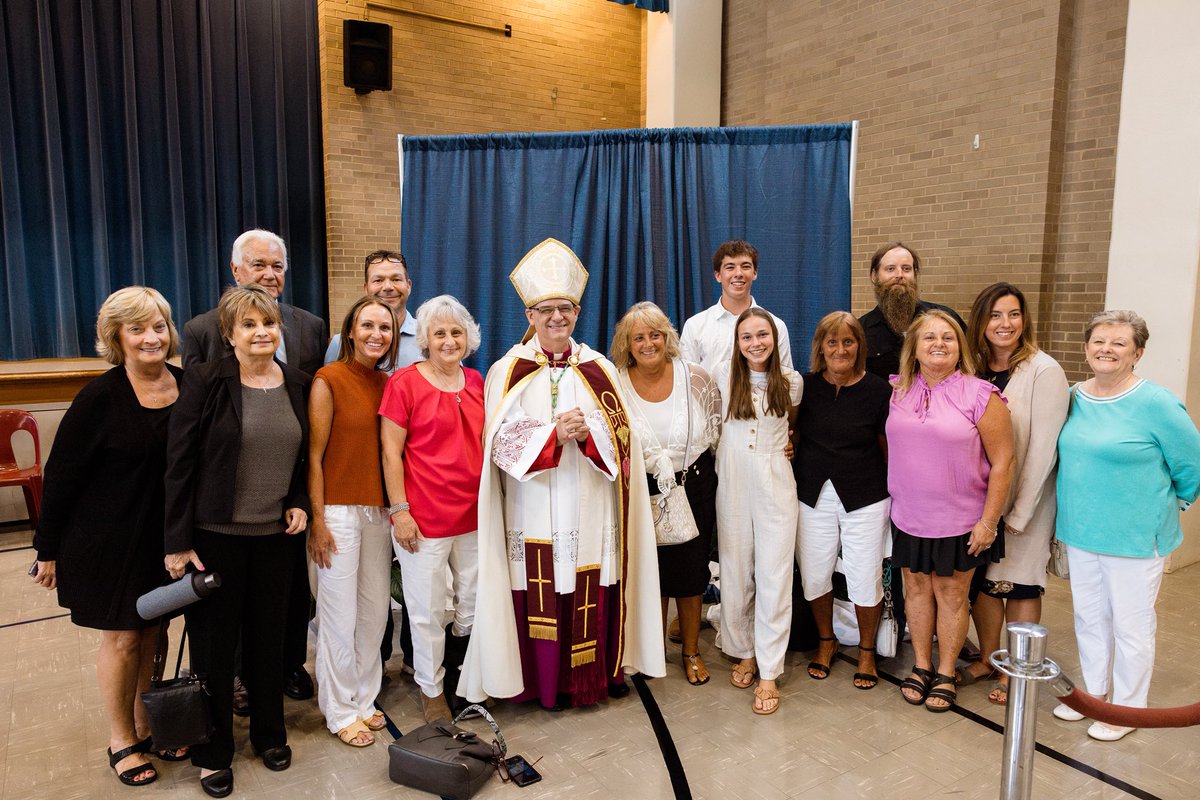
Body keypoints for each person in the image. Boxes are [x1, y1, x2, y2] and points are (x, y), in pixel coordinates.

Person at [459, 238, 664, 710]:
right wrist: (551, 434)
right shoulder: (506, 370)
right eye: (546, 309)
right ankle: (537, 684)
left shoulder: (600, 368)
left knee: (589, 583)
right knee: (538, 588)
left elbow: (624, 441)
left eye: (566, 309)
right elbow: (497, 446)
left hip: (589, 503)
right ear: (529, 314)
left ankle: (590, 681)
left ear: (576, 313)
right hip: (531, 507)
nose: (557, 317)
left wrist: (588, 433)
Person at [31, 287, 185, 787]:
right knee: (121, 638)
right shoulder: (98, 397)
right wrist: (47, 549)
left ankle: (147, 721)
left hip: (163, 541)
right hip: (106, 540)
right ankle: (122, 738)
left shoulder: (188, 386)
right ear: (116, 337)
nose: (150, 337)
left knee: (155, 631)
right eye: (136, 328)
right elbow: (62, 476)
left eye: (158, 326)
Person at [164, 284, 311, 798]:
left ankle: (270, 733)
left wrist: (299, 500)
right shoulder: (205, 380)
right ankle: (213, 751)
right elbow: (179, 463)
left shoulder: (297, 382)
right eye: (247, 325)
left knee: (269, 642)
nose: (260, 333)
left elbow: (300, 455)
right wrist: (177, 541)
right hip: (214, 537)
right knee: (214, 648)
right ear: (228, 334)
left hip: (275, 537)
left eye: (267, 323)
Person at [180, 228, 327, 702]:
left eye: (277, 266)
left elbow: (309, 421)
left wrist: (301, 495)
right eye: (258, 265)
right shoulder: (204, 329)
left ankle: (285, 665)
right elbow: (194, 433)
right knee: (230, 606)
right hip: (225, 504)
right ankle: (239, 677)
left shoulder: (309, 325)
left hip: (286, 495)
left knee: (284, 598)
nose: (269, 274)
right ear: (235, 271)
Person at [1054, 310, 1200, 742]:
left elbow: (1190, 464)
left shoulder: (1156, 402)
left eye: (1119, 343)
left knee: (1131, 626)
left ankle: (1127, 709)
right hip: (1081, 532)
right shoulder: (1073, 396)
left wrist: (1171, 503)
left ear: (1137, 352)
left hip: (1137, 538)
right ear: (1086, 348)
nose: (1107, 349)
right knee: (1088, 617)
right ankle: (1093, 697)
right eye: (1099, 340)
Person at [888, 310, 1013, 713]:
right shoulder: (899, 390)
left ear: (960, 347)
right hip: (909, 515)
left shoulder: (981, 395)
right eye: (929, 338)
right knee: (916, 590)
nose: (938, 343)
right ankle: (922, 665)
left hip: (961, 520)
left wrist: (988, 522)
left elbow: (1004, 462)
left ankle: (945, 671)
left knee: (952, 594)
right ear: (915, 347)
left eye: (947, 337)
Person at [959, 283, 1069, 705]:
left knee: (1019, 585)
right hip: (978, 498)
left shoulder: (1043, 370)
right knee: (985, 585)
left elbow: (1043, 449)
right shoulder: (971, 368)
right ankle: (989, 658)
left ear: (1025, 320)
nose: (1005, 324)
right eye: (995, 315)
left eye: (1014, 314)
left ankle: (1017, 669)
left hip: (1026, 500)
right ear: (981, 322)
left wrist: (1019, 513)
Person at [380, 295, 486, 722]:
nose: (448, 340)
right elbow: (390, 454)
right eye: (439, 333)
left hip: (474, 515)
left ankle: (462, 677)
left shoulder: (477, 381)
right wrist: (399, 511)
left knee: (472, 604)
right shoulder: (403, 383)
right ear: (424, 338)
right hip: (422, 519)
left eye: (456, 332)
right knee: (426, 611)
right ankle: (431, 688)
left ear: (468, 337)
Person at [611, 302, 721, 686]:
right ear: (627, 343)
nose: (647, 343)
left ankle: (690, 651)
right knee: (649, 573)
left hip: (693, 485)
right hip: (640, 490)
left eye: (655, 334)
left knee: (691, 575)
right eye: (638, 337)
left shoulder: (697, 378)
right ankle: (652, 649)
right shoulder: (614, 381)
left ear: (667, 337)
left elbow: (716, 432)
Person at [307, 296, 398, 746]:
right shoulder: (329, 379)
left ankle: (365, 699)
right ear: (350, 331)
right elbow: (313, 455)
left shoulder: (388, 383)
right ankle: (340, 710)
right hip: (338, 513)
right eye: (367, 325)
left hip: (377, 511)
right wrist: (318, 520)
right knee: (338, 617)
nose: (376, 334)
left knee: (373, 612)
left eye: (384, 327)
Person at [793, 312, 891, 689]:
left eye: (848, 342)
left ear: (859, 347)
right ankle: (826, 641)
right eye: (831, 342)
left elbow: (887, 449)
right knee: (815, 575)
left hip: (865, 495)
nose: (840, 349)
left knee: (865, 576)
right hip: (813, 493)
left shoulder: (879, 390)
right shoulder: (805, 386)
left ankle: (866, 651)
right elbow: (793, 431)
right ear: (820, 347)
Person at [717, 308, 802, 715]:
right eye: (747, 336)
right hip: (732, 479)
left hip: (775, 481)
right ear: (737, 343)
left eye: (762, 335)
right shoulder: (721, 377)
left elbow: (795, 426)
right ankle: (743, 650)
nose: (756, 343)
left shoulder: (791, 382)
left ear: (775, 337)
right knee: (736, 570)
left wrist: (790, 442)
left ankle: (769, 669)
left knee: (774, 573)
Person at [680, 239, 793, 375]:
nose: (738, 273)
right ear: (718, 276)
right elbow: (687, 380)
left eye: (745, 266)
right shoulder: (695, 326)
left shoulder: (776, 326)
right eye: (730, 267)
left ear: (755, 273)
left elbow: (786, 379)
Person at [858, 241, 965, 380]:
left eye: (906, 268)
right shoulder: (861, 330)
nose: (899, 275)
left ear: (915, 275)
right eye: (890, 269)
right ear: (874, 276)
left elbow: (970, 361)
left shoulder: (946, 318)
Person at [324, 250, 419, 371]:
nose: (388, 287)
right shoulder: (341, 343)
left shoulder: (428, 338)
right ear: (366, 288)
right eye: (378, 280)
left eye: (396, 279)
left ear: (409, 286)